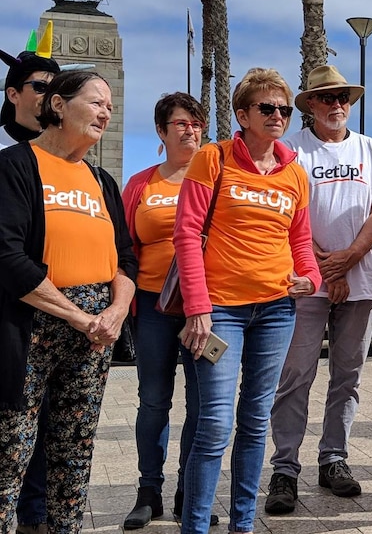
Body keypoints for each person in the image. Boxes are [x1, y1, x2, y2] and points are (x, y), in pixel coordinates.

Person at [173, 67, 321, 534]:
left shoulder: (294, 173)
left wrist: (311, 278)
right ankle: (195, 525)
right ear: (243, 114)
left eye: (284, 108)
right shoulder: (212, 159)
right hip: (220, 311)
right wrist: (197, 307)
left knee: (257, 420)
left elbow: (301, 240)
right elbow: (187, 232)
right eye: (267, 108)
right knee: (215, 424)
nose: (279, 115)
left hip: (277, 309)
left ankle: (243, 524)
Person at [0, 70, 137, 533]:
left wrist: (114, 313)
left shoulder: (102, 181)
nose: (105, 112)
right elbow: (7, 256)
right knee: (10, 452)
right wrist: (81, 317)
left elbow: (125, 261)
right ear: (58, 104)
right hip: (29, 328)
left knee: (72, 456)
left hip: (95, 337)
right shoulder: (15, 166)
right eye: (96, 102)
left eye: (110, 107)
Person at [265, 66, 372, 513]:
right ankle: (284, 468)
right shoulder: (291, 148)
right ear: (310, 105)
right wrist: (325, 268)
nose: (337, 104)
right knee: (295, 375)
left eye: (343, 97)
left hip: (360, 279)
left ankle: (333, 457)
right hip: (304, 280)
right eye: (326, 97)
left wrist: (349, 260)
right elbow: (287, 211)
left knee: (348, 377)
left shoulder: (369, 148)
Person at [121, 93, 218, 529]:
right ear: (161, 132)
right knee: (154, 402)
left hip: (205, 307)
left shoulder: (215, 183)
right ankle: (149, 492)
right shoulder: (141, 184)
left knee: (202, 407)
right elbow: (124, 249)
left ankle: (188, 494)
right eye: (180, 123)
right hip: (152, 304)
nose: (190, 131)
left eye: (196, 123)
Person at [0, 31, 61, 534]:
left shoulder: (72, 165)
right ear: (13, 92)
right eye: (39, 86)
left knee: (43, 428)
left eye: (56, 87)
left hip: (55, 317)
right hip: (9, 306)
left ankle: (35, 520)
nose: (49, 95)